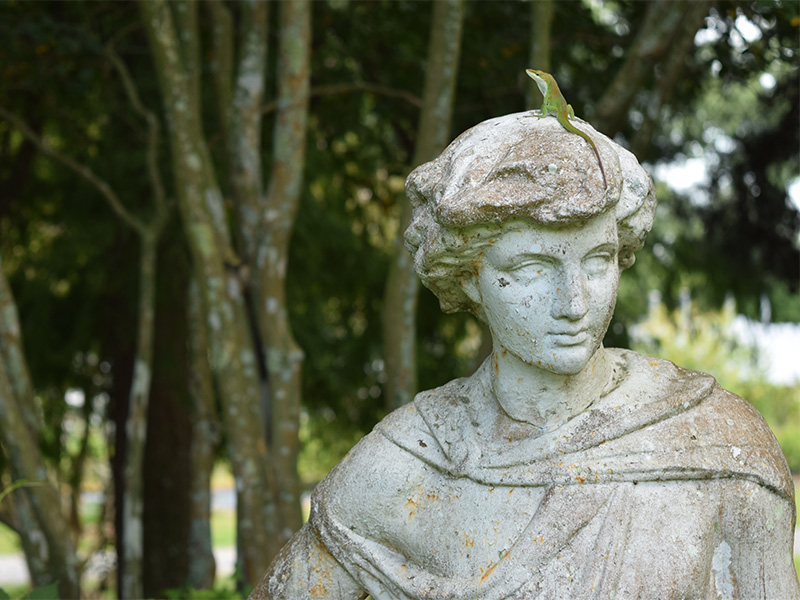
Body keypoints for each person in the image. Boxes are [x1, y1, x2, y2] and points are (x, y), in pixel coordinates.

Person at [251, 112, 799, 599]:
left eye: (598, 260)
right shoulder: (404, 466)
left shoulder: (717, 451)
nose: (574, 303)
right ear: (468, 277)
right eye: (534, 268)